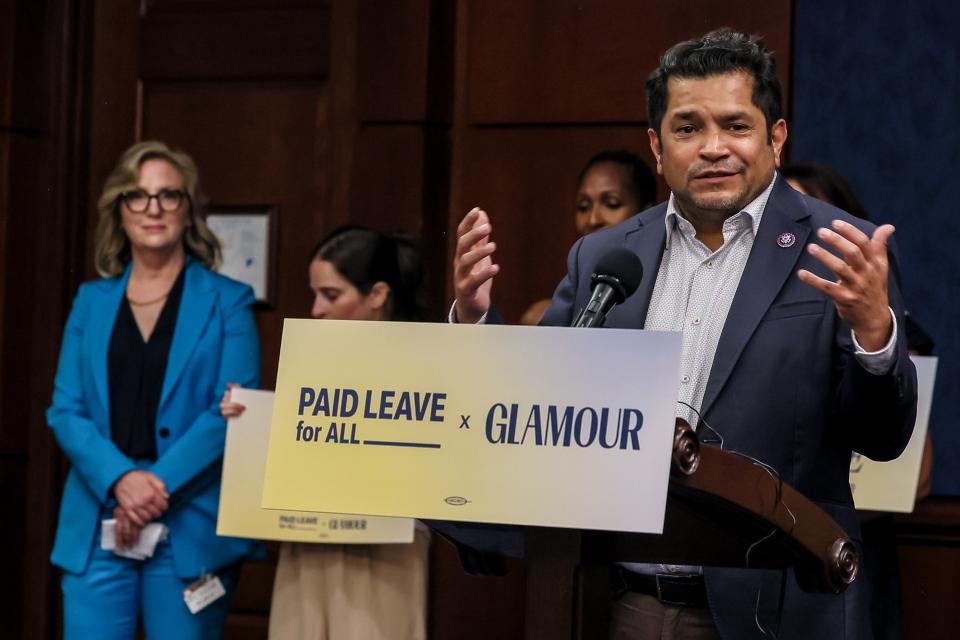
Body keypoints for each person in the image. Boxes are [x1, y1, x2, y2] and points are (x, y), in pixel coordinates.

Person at [451, 29, 918, 640]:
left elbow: (882, 439)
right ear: (657, 144)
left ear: (776, 138)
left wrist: (874, 335)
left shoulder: (841, 248)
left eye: (736, 125)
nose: (713, 148)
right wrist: (473, 320)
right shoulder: (603, 255)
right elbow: (538, 413)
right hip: (622, 602)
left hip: (776, 608)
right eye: (688, 127)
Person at [46, 140, 262, 639]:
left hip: (189, 525)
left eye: (169, 196)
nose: (153, 209)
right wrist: (123, 481)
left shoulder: (229, 302)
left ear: (189, 210)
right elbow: (66, 411)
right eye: (137, 197)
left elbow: (234, 408)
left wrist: (151, 489)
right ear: (119, 211)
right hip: (98, 518)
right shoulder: (90, 302)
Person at [221, 226, 430, 640]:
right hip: (308, 542)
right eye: (315, 293)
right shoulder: (309, 361)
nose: (316, 309)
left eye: (331, 295)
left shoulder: (423, 364)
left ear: (377, 295)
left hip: (383, 553)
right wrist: (250, 420)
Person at [521, 149, 656, 325]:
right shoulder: (575, 277)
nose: (593, 220)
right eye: (584, 206)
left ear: (646, 214)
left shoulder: (661, 279)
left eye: (611, 204)